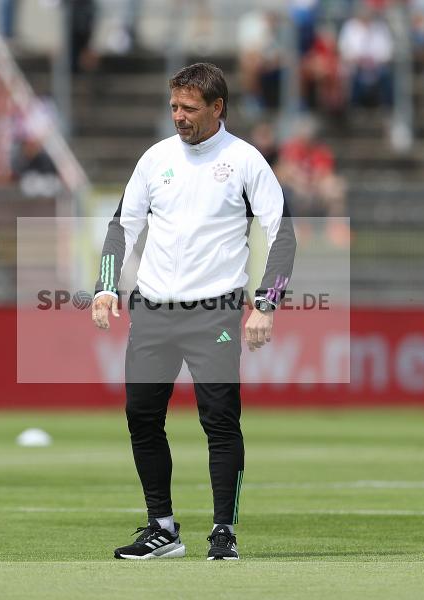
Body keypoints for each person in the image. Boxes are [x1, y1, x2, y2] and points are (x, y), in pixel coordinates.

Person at [91, 63, 296, 561]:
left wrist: (266, 304)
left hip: (214, 313)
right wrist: (105, 286)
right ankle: (162, 528)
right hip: (153, 310)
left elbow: (283, 235)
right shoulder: (155, 158)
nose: (178, 116)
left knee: (219, 421)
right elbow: (122, 227)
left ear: (217, 107)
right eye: (173, 107)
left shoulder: (245, 161)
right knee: (141, 416)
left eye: (188, 108)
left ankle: (224, 531)